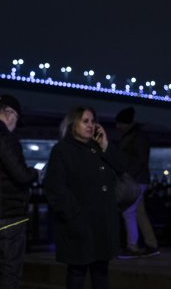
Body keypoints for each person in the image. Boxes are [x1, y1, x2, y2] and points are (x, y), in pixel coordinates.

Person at [43, 106, 121, 289]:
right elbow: (55, 188)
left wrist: (106, 146)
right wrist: (74, 215)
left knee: (101, 272)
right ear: (73, 123)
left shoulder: (98, 148)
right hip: (79, 224)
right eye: (85, 121)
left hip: (102, 225)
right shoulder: (62, 150)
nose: (91, 125)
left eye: (93, 121)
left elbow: (123, 168)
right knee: (77, 273)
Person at [0, 94, 38, 289]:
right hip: (10, 216)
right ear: (10, 113)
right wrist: (35, 173)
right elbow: (20, 175)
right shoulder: (5, 137)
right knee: (9, 273)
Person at [115, 106, 159, 259]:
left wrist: (126, 175)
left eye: (119, 123)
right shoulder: (136, 136)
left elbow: (139, 160)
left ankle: (132, 246)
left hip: (135, 180)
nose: (117, 126)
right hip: (139, 179)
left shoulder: (135, 137)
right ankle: (151, 244)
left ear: (126, 123)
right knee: (139, 212)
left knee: (129, 212)